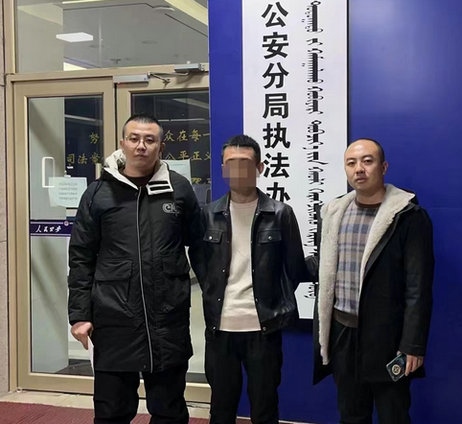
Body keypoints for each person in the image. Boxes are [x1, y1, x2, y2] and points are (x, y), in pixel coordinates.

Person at [68, 113, 202, 424]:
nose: (141, 146)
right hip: (114, 317)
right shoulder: (98, 193)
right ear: (123, 143)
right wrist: (80, 314)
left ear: (161, 147)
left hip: (167, 318)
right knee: (112, 411)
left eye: (149, 140)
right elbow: (81, 256)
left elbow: (199, 246)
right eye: (134, 138)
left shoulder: (178, 189)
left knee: (169, 410)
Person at [313, 138, 434, 424]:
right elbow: (323, 268)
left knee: (394, 415)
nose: (359, 169)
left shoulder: (407, 217)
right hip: (343, 334)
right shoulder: (333, 213)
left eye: (367, 161)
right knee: (351, 414)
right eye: (351, 163)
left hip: (388, 338)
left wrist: (412, 344)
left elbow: (418, 287)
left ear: (384, 167)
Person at [189, 134, 307, 424]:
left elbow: (293, 268)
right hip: (220, 328)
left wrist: (270, 299)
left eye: (245, 163)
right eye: (231, 163)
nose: (238, 170)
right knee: (221, 408)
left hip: (263, 328)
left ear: (260, 167)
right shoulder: (207, 214)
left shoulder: (280, 214)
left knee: (265, 407)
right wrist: (215, 292)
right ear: (222, 168)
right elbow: (200, 262)